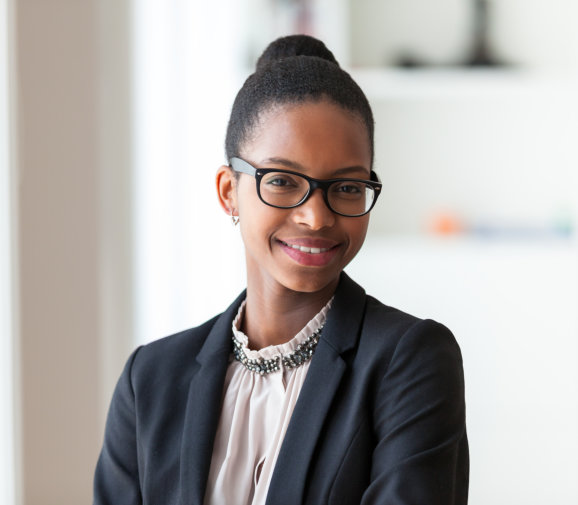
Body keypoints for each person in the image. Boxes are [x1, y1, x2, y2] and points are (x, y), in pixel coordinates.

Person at [93, 35, 469, 505]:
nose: (316, 217)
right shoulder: (149, 379)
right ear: (229, 190)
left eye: (348, 187)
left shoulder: (409, 361)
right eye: (283, 181)